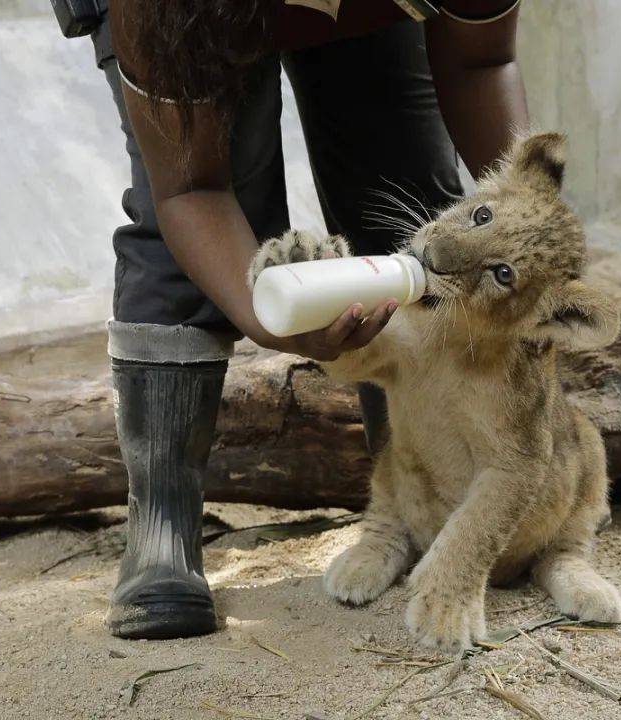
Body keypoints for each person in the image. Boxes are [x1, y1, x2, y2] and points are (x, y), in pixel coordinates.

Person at [82, 0, 531, 640]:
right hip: (189, 16)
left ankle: (422, 493)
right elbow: (193, 189)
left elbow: (482, 61)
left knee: (405, 186)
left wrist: (524, 211)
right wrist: (273, 324)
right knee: (219, 183)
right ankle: (162, 525)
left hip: (373, 13)